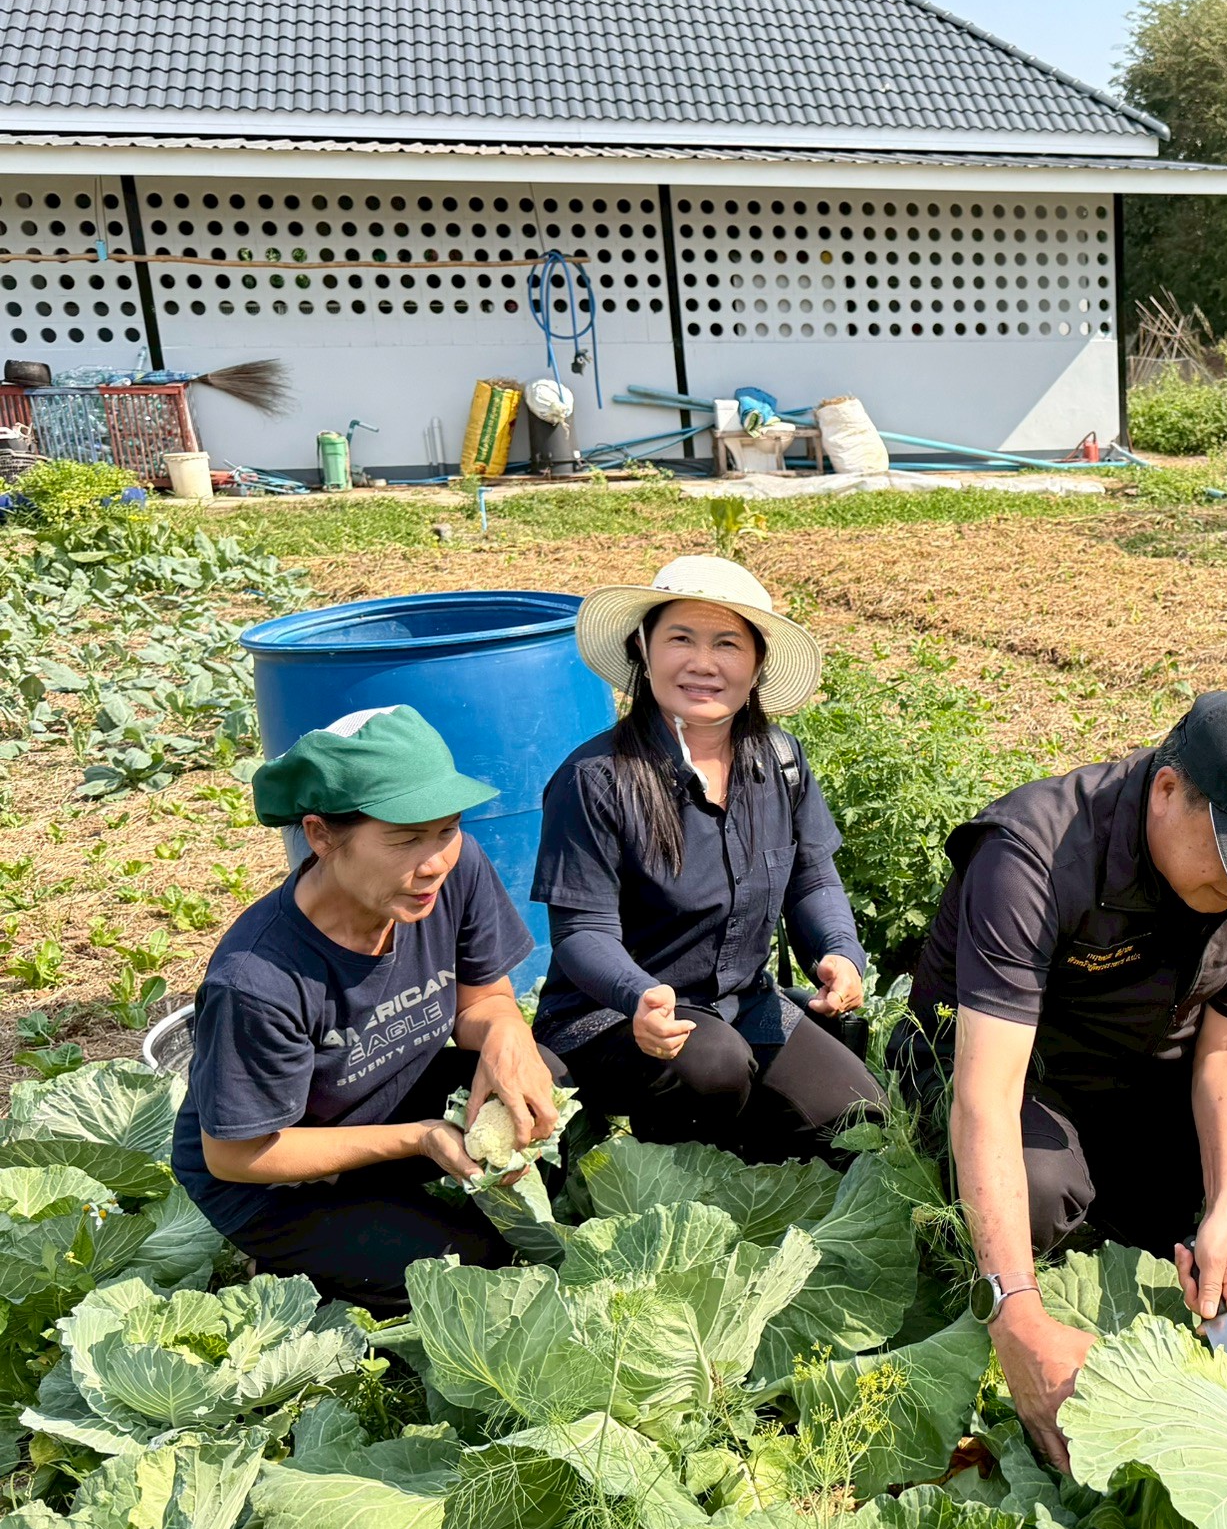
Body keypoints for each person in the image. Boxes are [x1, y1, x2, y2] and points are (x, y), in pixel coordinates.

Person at [896, 687, 1227, 1467]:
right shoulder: (1032, 856)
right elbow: (986, 1096)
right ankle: (1089, 1227)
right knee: (1039, 1197)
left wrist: (1225, 1211)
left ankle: (1153, 1212)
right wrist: (1015, 1316)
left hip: (1150, 1064)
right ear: (1168, 790)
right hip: (1022, 1072)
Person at [172, 705, 565, 1315]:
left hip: (385, 1095)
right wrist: (421, 1138)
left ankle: (387, 1212)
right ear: (322, 835)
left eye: (447, 828)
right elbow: (235, 1155)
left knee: (544, 1080)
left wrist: (508, 1032)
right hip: (280, 1175)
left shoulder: (450, 875)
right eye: (404, 839)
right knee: (468, 1269)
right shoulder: (256, 980)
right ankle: (286, 1263)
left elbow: (483, 999)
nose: (433, 859)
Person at [534, 555, 883, 1159]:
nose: (703, 662)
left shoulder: (780, 763)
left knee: (861, 1122)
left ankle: (749, 1157)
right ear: (643, 649)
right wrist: (637, 995)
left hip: (742, 1001)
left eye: (727, 643)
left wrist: (838, 952)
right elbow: (581, 932)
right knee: (713, 1064)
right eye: (680, 639)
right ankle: (657, 1186)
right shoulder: (595, 779)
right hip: (614, 1017)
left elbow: (811, 878)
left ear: (755, 666)